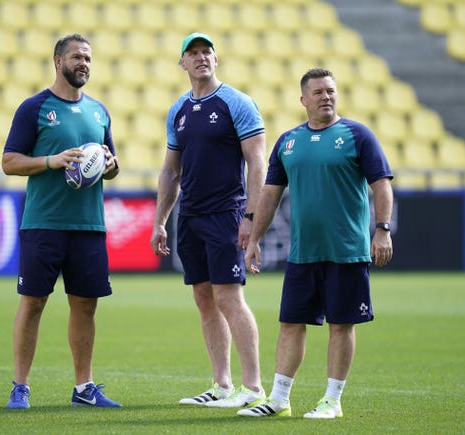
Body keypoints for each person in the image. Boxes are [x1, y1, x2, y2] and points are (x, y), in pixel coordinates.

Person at [237, 68, 394, 419]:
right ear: (303, 99)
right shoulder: (289, 141)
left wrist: (382, 229)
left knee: (341, 324)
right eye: (319, 92)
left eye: (331, 90)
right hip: (302, 253)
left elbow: (381, 185)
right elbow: (270, 196)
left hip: (346, 251)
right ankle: (278, 400)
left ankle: (332, 400)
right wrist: (254, 239)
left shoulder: (357, 135)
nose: (326, 96)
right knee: (291, 323)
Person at [2, 33, 121, 410]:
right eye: (76, 57)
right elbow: (9, 162)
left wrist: (112, 165)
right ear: (58, 61)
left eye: (88, 57)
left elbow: (110, 166)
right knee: (33, 302)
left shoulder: (99, 112)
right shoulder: (34, 108)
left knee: (85, 305)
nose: (83, 63)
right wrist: (51, 161)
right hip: (44, 223)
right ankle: (20, 386)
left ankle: (84, 388)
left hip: (88, 225)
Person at [150, 32, 268, 408]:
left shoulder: (238, 103)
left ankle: (252, 389)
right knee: (204, 299)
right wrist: (160, 221)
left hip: (226, 213)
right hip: (192, 215)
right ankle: (221, 385)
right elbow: (171, 172)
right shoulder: (178, 111)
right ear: (181, 63)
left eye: (207, 52)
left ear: (216, 60)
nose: (201, 57)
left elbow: (257, 163)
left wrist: (251, 217)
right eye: (193, 53)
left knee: (229, 298)